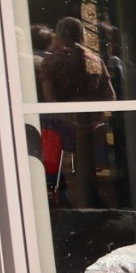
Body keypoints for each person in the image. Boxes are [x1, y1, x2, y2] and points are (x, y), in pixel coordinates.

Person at [37, 15, 118, 208]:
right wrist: (99, 122)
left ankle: (79, 212)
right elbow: (111, 97)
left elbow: (50, 100)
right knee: (95, 173)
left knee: (70, 173)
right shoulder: (95, 59)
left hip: (64, 125)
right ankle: (103, 210)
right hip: (93, 123)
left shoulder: (51, 62)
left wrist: (69, 123)